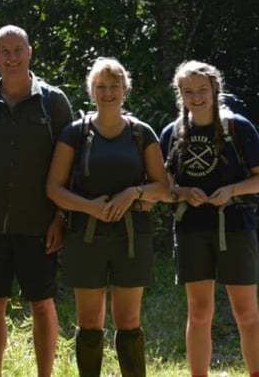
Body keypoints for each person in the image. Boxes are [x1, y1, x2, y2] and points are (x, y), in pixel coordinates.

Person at [0, 25, 72, 377]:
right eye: (3, 51)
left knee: (42, 304)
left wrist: (61, 218)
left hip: (40, 226)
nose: (11, 57)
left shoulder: (54, 102)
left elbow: (70, 166)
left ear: (29, 52)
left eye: (17, 49)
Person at [46, 57, 169, 377]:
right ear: (91, 91)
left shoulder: (142, 133)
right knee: (89, 323)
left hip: (132, 238)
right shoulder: (75, 133)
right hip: (86, 238)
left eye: (114, 85)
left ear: (125, 89)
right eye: (101, 86)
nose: (108, 92)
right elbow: (54, 189)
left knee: (129, 322)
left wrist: (133, 193)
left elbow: (164, 189)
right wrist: (90, 207)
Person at [160, 60, 259, 377]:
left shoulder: (238, 127)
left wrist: (232, 190)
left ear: (214, 89)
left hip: (235, 228)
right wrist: (182, 192)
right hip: (191, 230)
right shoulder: (173, 133)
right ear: (180, 94)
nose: (196, 97)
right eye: (188, 91)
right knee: (198, 311)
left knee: (245, 311)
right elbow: (161, 186)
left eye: (202, 90)